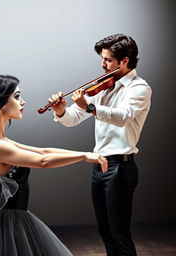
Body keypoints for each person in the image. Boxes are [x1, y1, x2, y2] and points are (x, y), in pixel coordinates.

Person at [0, 73, 108, 256]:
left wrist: (85, 154)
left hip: (11, 221)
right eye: (17, 96)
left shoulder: (0, 141)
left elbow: (43, 152)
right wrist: (84, 157)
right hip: (6, 225)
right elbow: (42, 161)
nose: (23, 102)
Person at [48, 34, 152, 256]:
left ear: (124, 60)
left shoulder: (139, 88)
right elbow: (73, 119)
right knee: (106, 233)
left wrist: (90, 108)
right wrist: (61, 110)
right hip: (100, 165)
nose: (102, 64)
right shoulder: (105, 86)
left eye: (107, 60)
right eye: (102, 59)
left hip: (120, 168)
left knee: (119, 235)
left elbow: (123, 116)